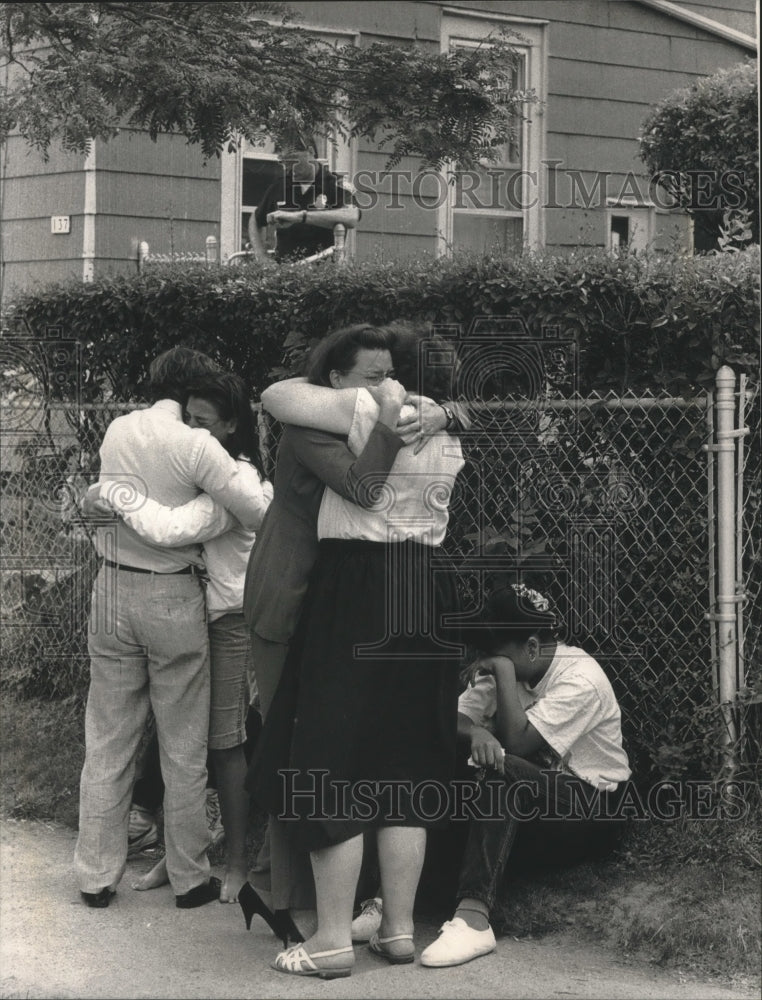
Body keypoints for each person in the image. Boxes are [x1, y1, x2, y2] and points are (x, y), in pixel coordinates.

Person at [246, 322, 466, 979]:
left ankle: (331, 940)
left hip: (357, 581)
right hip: (422, 584)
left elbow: (278, 396)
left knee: (328, 759)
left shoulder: (369, 408)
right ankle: (398, 930)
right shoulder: (449, 428)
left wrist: (370, 399)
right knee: (404, 764)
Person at [74, 348, 270, 910]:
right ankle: (189, 877)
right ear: (190, 393)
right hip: (172, 595)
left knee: (108, 738)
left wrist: (114, 495)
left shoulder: (116, 430)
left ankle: (94, 875)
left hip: (111, 586)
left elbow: (110, 505)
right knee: (184, 744)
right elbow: (255, 510)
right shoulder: (198, 446)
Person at [419, 583, 631, 968]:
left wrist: (500, 670)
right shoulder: (510, 661)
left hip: (589, 804)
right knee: (450, 756)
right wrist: (477, 731)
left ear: (532, 647)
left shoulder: (581, 678)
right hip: (532, 801)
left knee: (502, 767)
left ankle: (474, 920)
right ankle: (390, 898)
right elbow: (448, 720)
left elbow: (516, 745)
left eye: (497, 656)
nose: (486, 661)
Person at [249, 134, 360, 262]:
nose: (288, 166)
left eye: (293, 159)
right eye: (284, 161)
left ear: (311, 151)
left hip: (323, 274)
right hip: (285, 273)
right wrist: (261, 256)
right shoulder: (280, 185)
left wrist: (300, 217)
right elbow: (255, 218)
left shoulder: (336, 184)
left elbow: (353, 217)